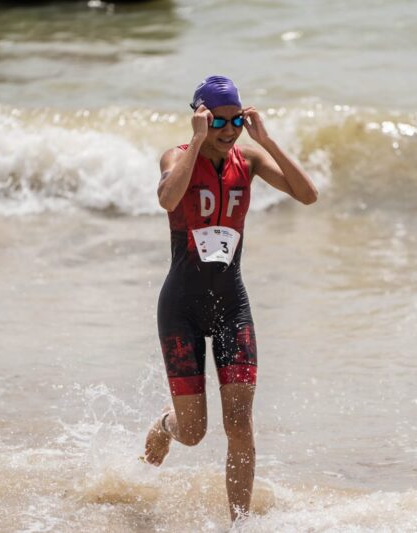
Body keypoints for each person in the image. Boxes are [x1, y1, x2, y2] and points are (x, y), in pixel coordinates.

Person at [143, 75, 318, 522]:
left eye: (235, 120)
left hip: (231, 306)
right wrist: (197, 140)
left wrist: (269, 141)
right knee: (195, 432)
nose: (228, 129)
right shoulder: (177, 156)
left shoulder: (250, 159)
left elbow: (308, 195)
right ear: (200, 117)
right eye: (218, 120)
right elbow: (167, 199)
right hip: (180, 307)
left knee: (239, 424)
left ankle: (240, 524)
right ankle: (166, 424)